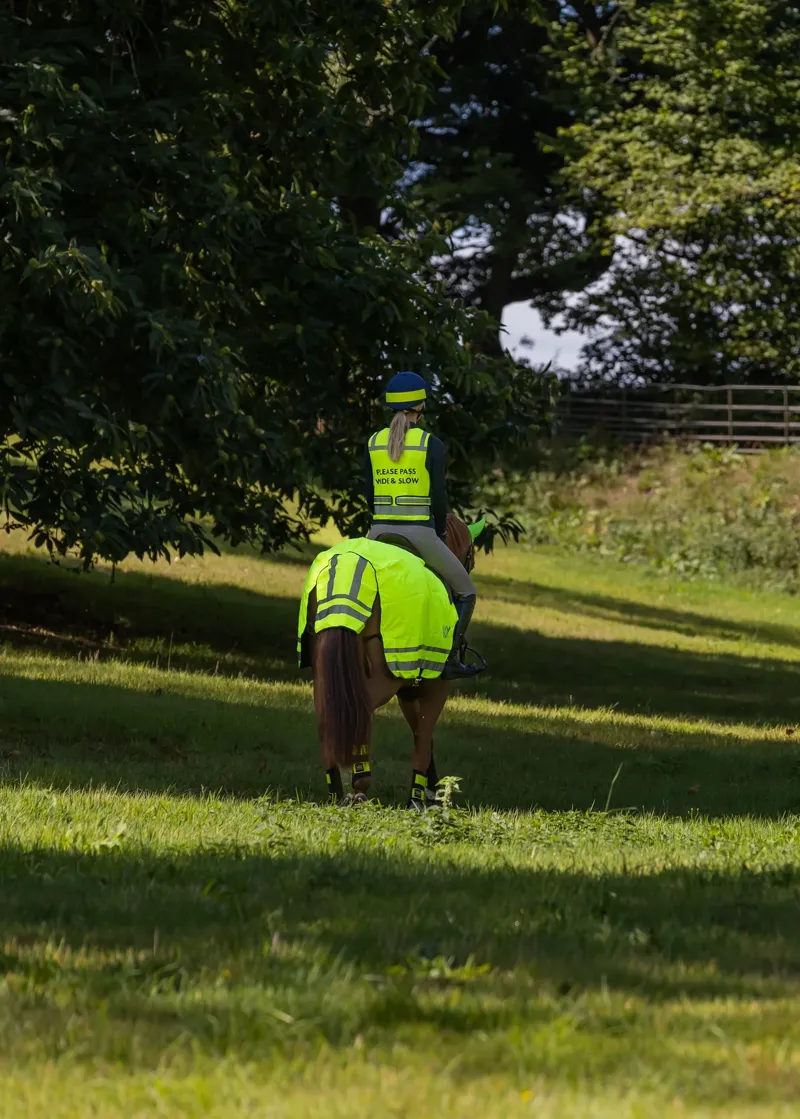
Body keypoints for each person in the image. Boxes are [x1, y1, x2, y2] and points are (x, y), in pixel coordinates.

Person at [363, 371, 480, 680]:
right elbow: (439, 500)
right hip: (419, 534)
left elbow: (368, 494)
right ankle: (451, 659)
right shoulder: (431, 443)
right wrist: (440, 532)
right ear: (421, 406)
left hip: (376, 534)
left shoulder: (373, 442)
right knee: (466, 591)